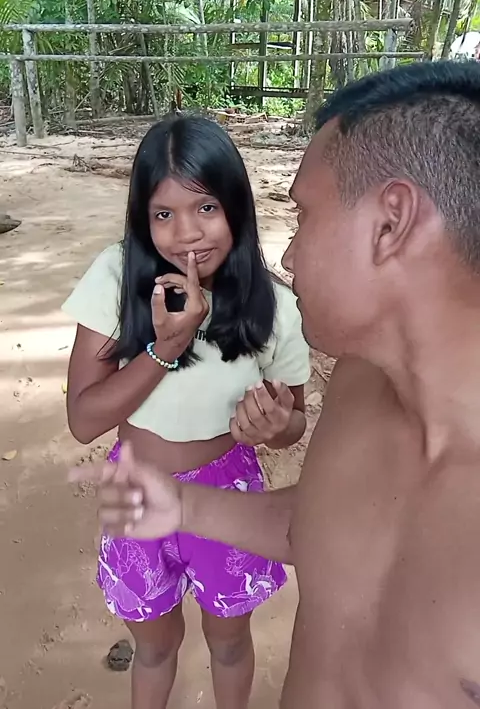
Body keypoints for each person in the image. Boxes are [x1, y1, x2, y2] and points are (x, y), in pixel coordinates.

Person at [73, 60, 480, 709]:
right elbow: (324, 525)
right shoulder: (360, 383)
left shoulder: (276, 312)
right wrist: (183, 506)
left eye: (304, 216)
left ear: (391, 222)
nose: (288, 254)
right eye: (165, 213)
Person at [62, 115, 310, 709]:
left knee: (229, 641)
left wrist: (279, 426)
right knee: (153, 647)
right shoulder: (118, 277)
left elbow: (294, 421)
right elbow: (84, 420)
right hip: (134, 488)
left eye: (206, 208)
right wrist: (165, 349)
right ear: (142, 220)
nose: (187, 234)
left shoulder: (274, 307)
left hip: (230, 495)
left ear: (236, 207)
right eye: (163, 214)